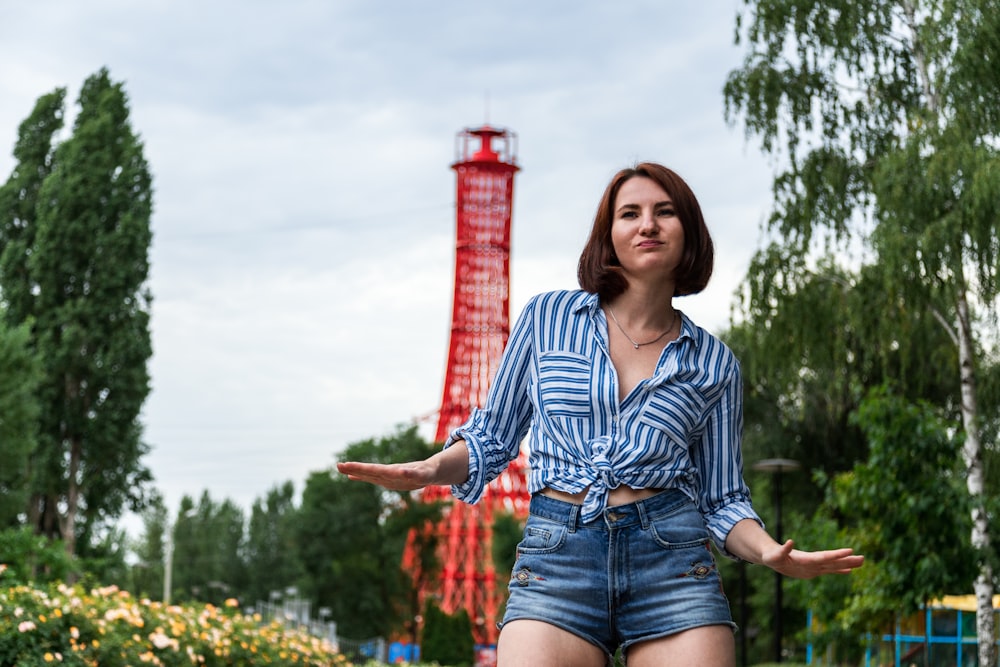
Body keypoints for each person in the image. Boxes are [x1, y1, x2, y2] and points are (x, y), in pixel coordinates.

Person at [338, 162, 863, 667]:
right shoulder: (547, 318)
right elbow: (491, 439)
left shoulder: (715, 363)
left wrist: (769, 551)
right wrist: (428, 470)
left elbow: (722, 499)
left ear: (690, 232)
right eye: (629, 213)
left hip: (672, 562)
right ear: (608, 233)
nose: (648, 225)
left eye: (665, 211)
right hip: (557, 557)